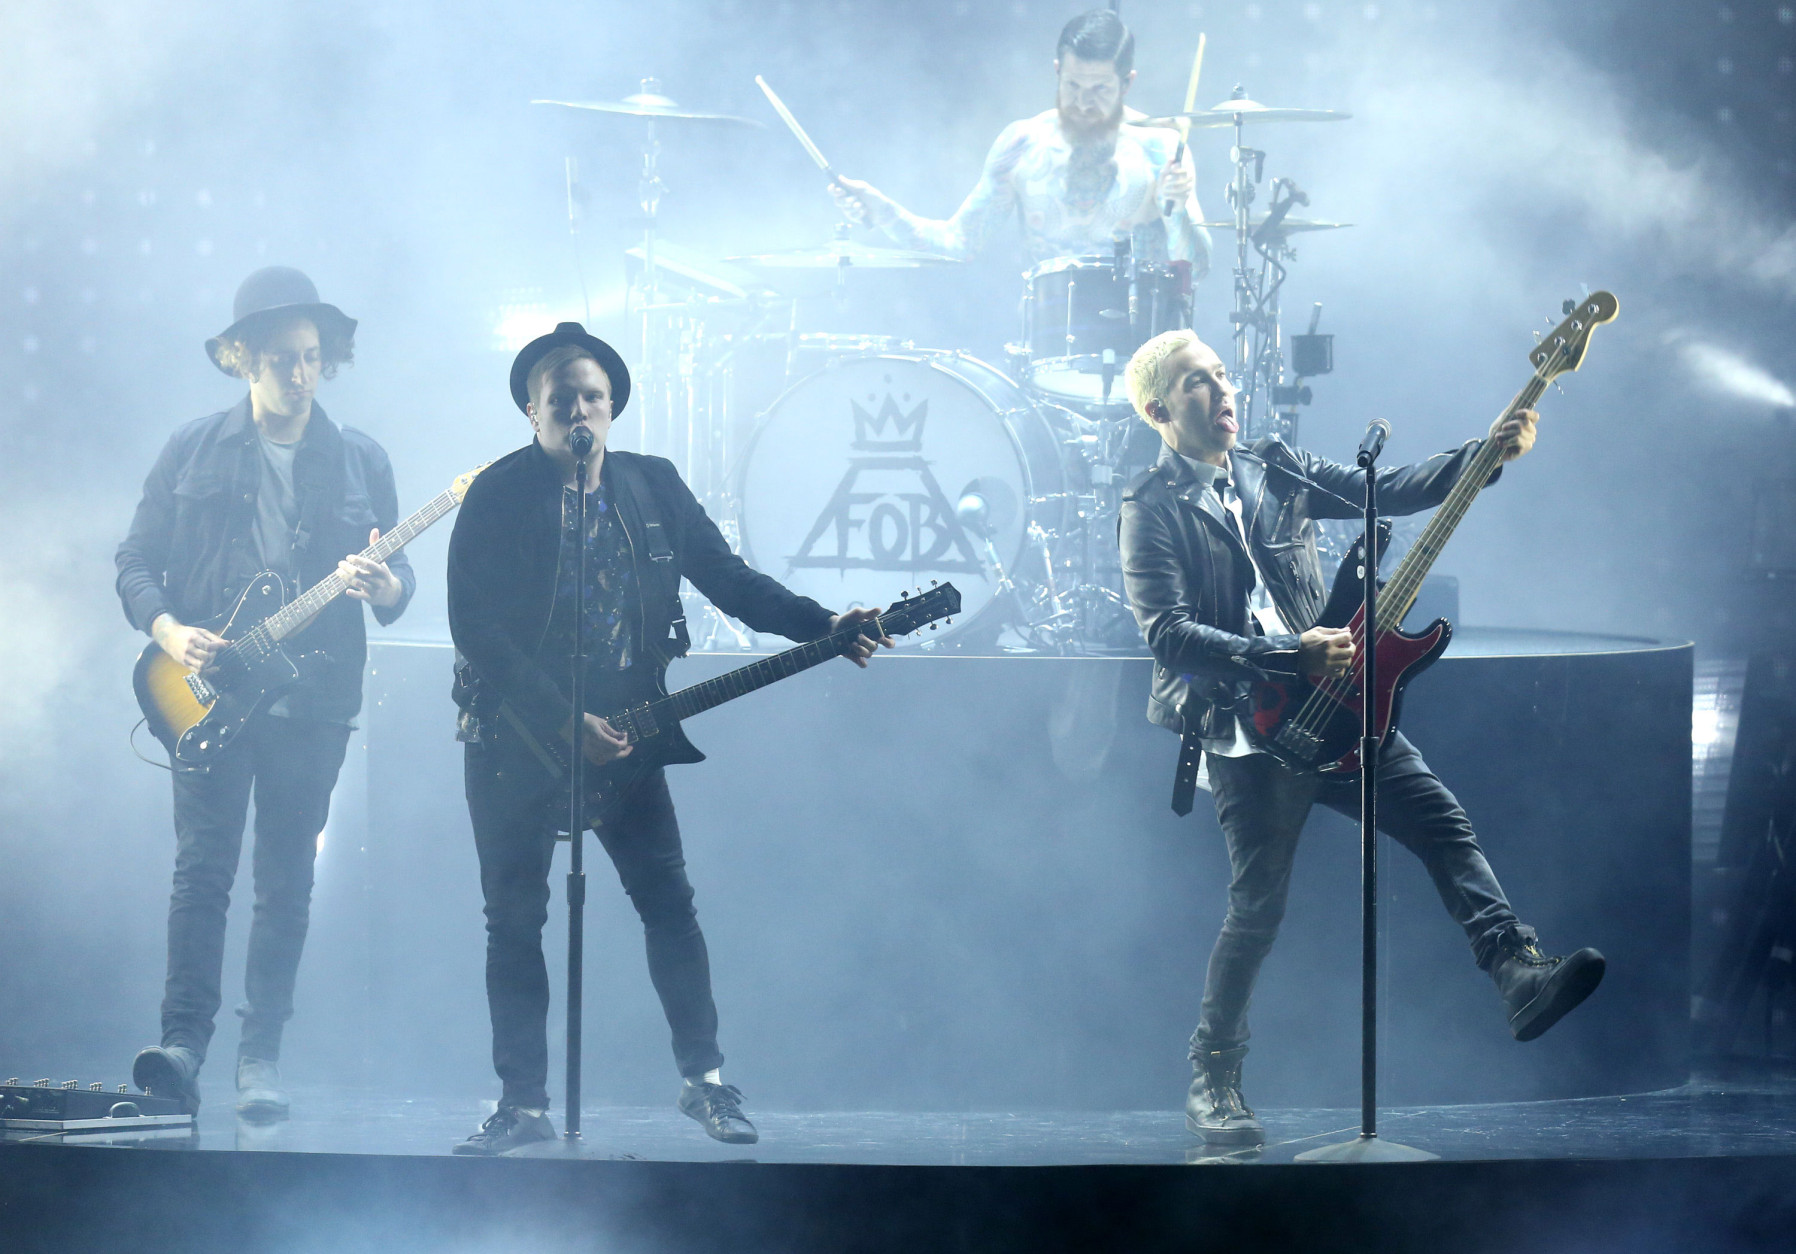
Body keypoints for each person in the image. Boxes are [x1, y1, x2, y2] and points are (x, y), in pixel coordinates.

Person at [1116, 328, 1605, 1146]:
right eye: (1198, 383)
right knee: (1257, 911)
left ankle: (1516, 972)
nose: (1222, 390)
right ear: (1160, 409)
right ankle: (1213, 1080)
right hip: (1249, 726)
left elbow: (1395, 490)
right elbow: (1167, 634)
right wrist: (1286, 652)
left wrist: (1482, 454)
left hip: (1342, 703)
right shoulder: (1150, 508)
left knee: (1443, 824)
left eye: (1223, 374)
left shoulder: (1274, 465)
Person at [446, 323, 892, 1156]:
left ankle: (707, 1083)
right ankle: (524, 1103)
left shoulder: (652, 487)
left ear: (611, 407)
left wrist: (824, 623)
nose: (576, 409)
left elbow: (729, 580)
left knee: (669, 906)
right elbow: (476, 627)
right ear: (531, 413)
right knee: (513, 919)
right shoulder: (498, 493)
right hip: (515, 736)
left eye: (591, 396)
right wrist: (559, 721)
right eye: (559, 399)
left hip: (628, 730)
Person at [116, 267, 415, 1122]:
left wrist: (383, 589)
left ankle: (260, 1056)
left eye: (314, 358)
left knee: (286, 881)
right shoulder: (192, 449)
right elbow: (134, 561)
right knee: (200, 872)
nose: (301, 373)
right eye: (283, 357)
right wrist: (170, 633)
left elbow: (402, 587)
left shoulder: (362, 461)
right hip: (207, 691)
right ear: (242, 357)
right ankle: (182, 1045)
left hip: (312, 701)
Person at [831, 9, 1210, 274]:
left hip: (1147, 357)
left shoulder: (1162, 149)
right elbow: (958, 243)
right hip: (1047, 352)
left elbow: (1197, 269)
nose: (1082, 102)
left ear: (1127, 82)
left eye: (1100, 89)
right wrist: (882, 211)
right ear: (1058, 70)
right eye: (1072, 86)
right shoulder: (1022, 144)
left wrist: (1176, 211)